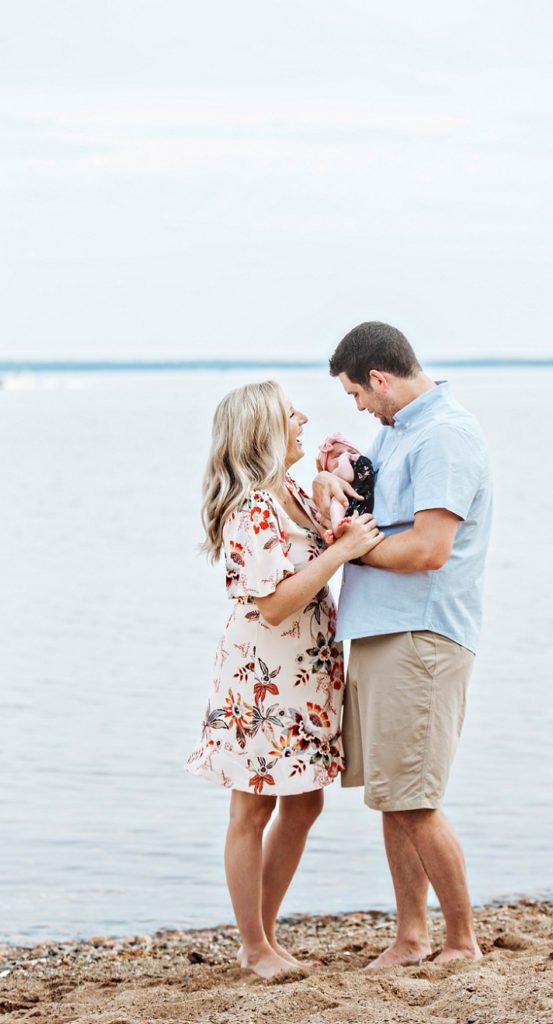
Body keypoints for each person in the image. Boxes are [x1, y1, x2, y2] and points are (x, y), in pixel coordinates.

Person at [186, 380, 383, 979]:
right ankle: (254, 946)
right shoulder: (253, 507)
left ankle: (264, 937)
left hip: (307, 672)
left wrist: (331, 491)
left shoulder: (290, 491)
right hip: (264, 678)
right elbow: (272, 605)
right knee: (251, 810)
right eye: (289, 413)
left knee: (303, 804)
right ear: (262, 431)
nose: (303, 417)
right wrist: (340, 553)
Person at [313, 322, 492, 966]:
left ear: (379, 379)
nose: (356, 406)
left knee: (416, 799)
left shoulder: (443, 435)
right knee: (393, 794)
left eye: (356, 394)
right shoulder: (399, 431)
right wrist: (334, 479)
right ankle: (412, 936)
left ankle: (461, 942)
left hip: (420, 634)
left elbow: (428, 548)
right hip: (384, 631)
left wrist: (349, 547)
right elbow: (380, 514)